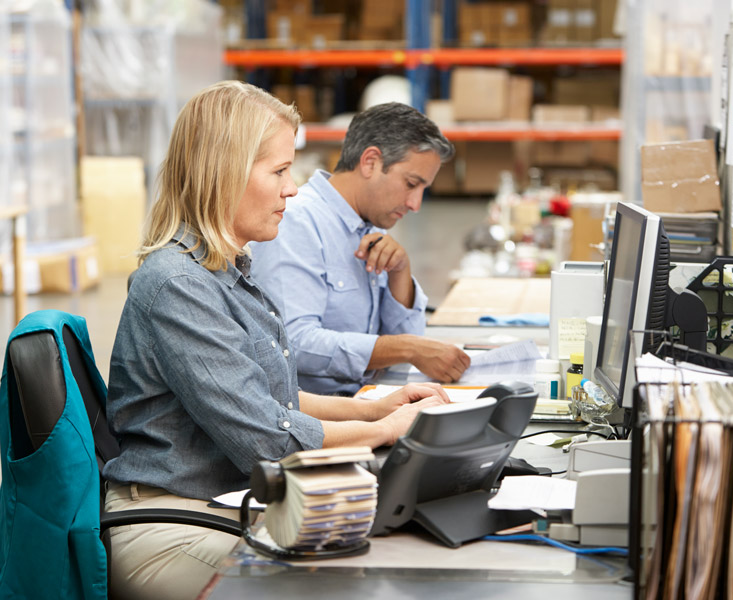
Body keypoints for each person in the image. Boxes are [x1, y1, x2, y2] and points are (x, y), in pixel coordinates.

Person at [102, 81, 449, 600]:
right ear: (224, 173)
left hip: (225, 504)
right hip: (173, 524)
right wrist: (386, 431)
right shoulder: (180, 286)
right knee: (354, 583)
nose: (292, 189)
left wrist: (378, 412)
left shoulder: (227, 269)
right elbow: (267, 439)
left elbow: (273, 400)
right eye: (280, 172)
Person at [250, 102, 471, 395]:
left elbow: (412, 348)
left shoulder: (370, 223)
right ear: (370, 162)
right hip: (321, 419)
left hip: (367, 399)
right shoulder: (296, 222)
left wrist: (400, 275)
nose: (415, 204)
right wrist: (406, 348)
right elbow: (294, 343)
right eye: (410, 184)